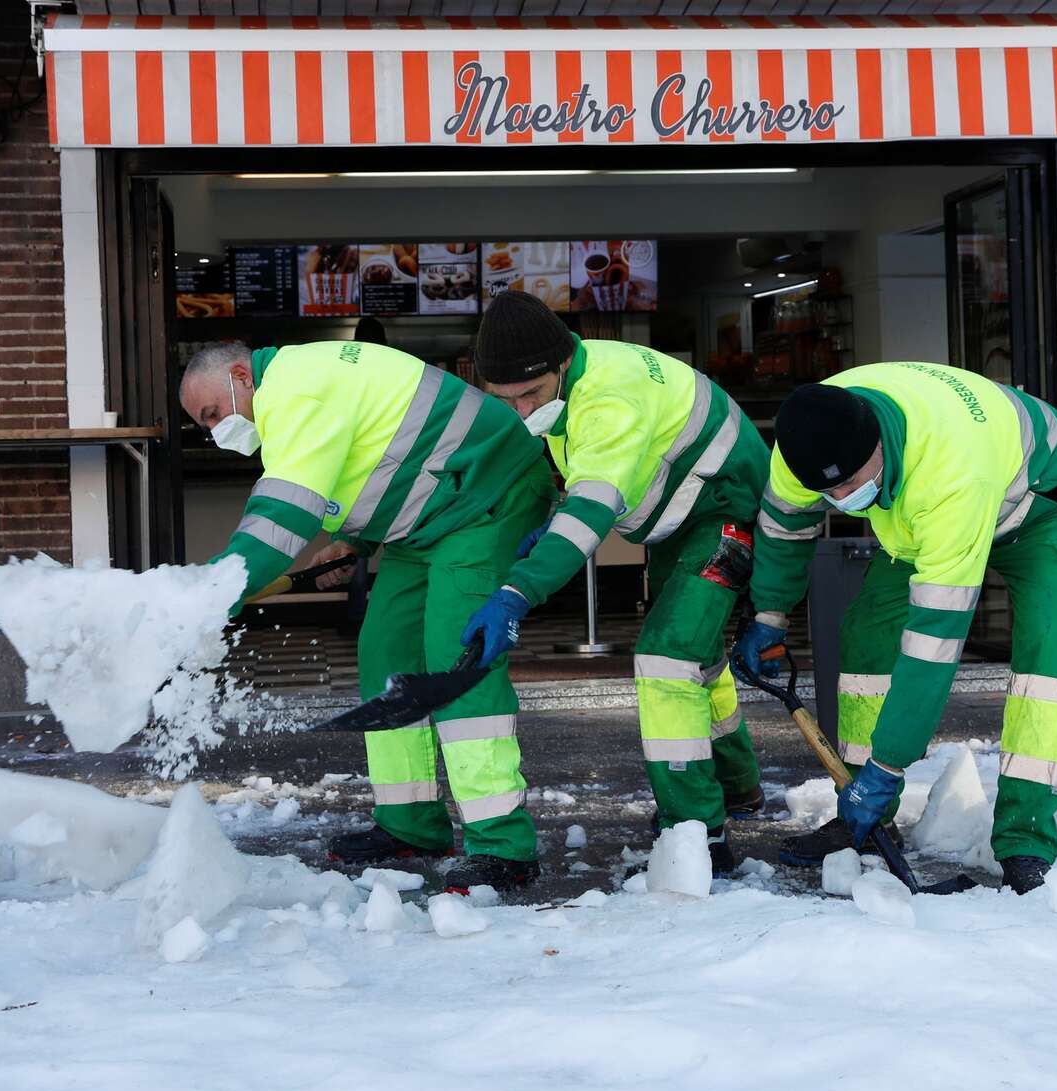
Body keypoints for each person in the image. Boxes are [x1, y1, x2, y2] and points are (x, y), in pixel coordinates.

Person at [179, 339, 553, 892]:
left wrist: (210, 592)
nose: (216, 430)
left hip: (484, 498)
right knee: (386, 653)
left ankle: (503, 846)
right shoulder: (296, 388)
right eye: (204, 425)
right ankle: (411, 823)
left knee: (456, 657)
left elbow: (279, 520)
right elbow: (380, 457)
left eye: (213, 413)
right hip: (426, 522)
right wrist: (355, 540)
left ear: (240, 374)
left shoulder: (296, 390)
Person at [732, 363, 1057, 894]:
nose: (843, 496)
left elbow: (933, 644)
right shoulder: (804, 442)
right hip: (921, 521)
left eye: (851, 481)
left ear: (880, 445)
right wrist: (768, 614)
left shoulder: (950, 473)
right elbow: (784, 525)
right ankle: (864, 814)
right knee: (868, 630)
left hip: (1038, 505)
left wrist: (890, 762)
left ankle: (1026, 837)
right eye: (830, 491)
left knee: (1047, 655)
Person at [464, 291, 771, 873]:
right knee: (698, 658)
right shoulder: (576, 375)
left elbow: (594, 510)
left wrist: (517, 592)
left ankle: (695, 831)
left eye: (530, 394)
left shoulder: (609, 398)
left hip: (726, 511)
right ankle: (737, 784)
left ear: (560, 364)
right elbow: (584, 477)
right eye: (505, 400)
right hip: (683, 517)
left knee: (665, 657)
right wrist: (556, 511)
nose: (522, 411)